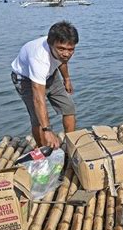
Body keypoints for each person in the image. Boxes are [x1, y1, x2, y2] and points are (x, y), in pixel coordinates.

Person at [11, 21, 79, 149]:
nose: (66, 53)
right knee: (37, 119)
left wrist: (67, 79)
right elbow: (38, 99)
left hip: (50, 75)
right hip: (25, 79)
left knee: (69, 107)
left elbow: (63, 60)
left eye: (71, 49)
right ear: (50, 44)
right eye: (61, 49)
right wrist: (47, 129)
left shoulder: (62, 52)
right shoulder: (39, 59)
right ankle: (43, 151)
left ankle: (71, 147)